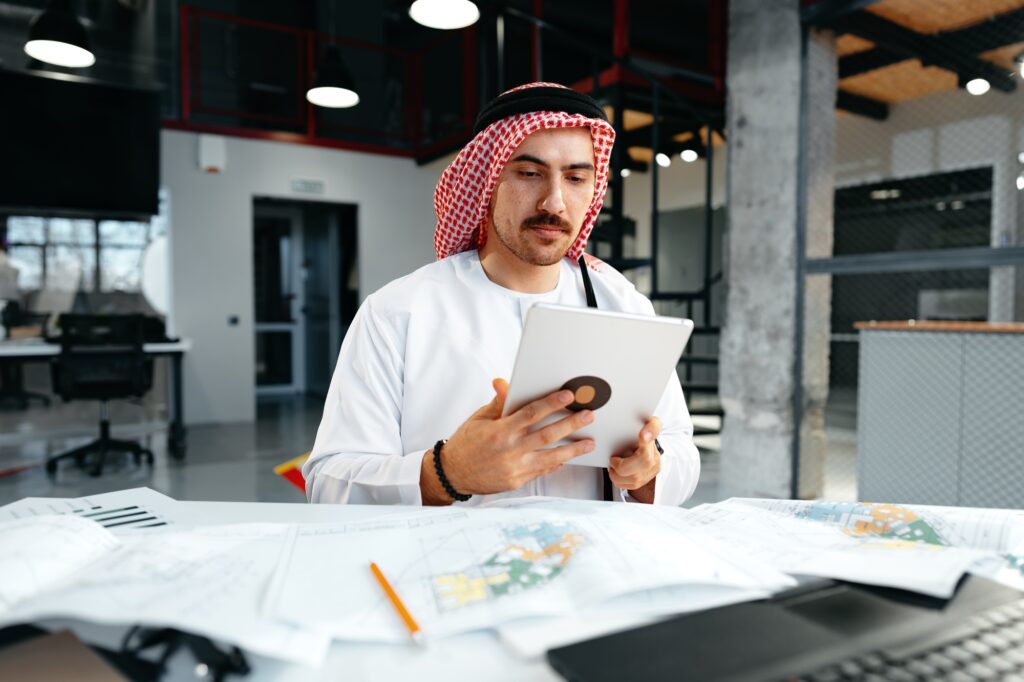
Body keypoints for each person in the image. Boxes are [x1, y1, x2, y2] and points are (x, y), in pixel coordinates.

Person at [304, 82, 700, 507]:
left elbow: (678, 447)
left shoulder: (623, 305)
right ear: (487, 181)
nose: (555, 201)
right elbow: (329, 484)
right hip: (446, 567)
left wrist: (647, 472)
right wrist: (445, 473)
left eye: (576, 178)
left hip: (590, 565)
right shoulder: (398, 312)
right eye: (529, 173)